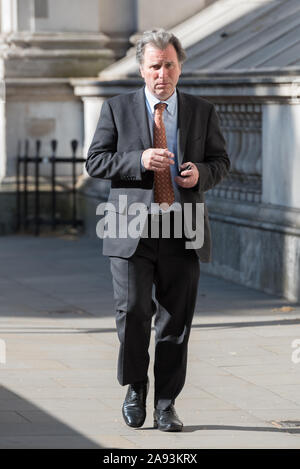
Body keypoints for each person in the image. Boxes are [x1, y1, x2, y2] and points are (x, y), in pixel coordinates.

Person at [86, 29, 230, 432]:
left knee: (175, 320)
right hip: (129, 227)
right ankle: (135, 387)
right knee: (132, 312)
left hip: (182, 227)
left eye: (169, 65)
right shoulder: (117, 109)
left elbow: (221, 161)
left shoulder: (202, 111)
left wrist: (200, 173)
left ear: (179, 66)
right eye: (155, 66)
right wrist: (139, 159)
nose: (162, 74)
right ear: (142, 70)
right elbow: (96, 162)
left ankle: (166, 404)